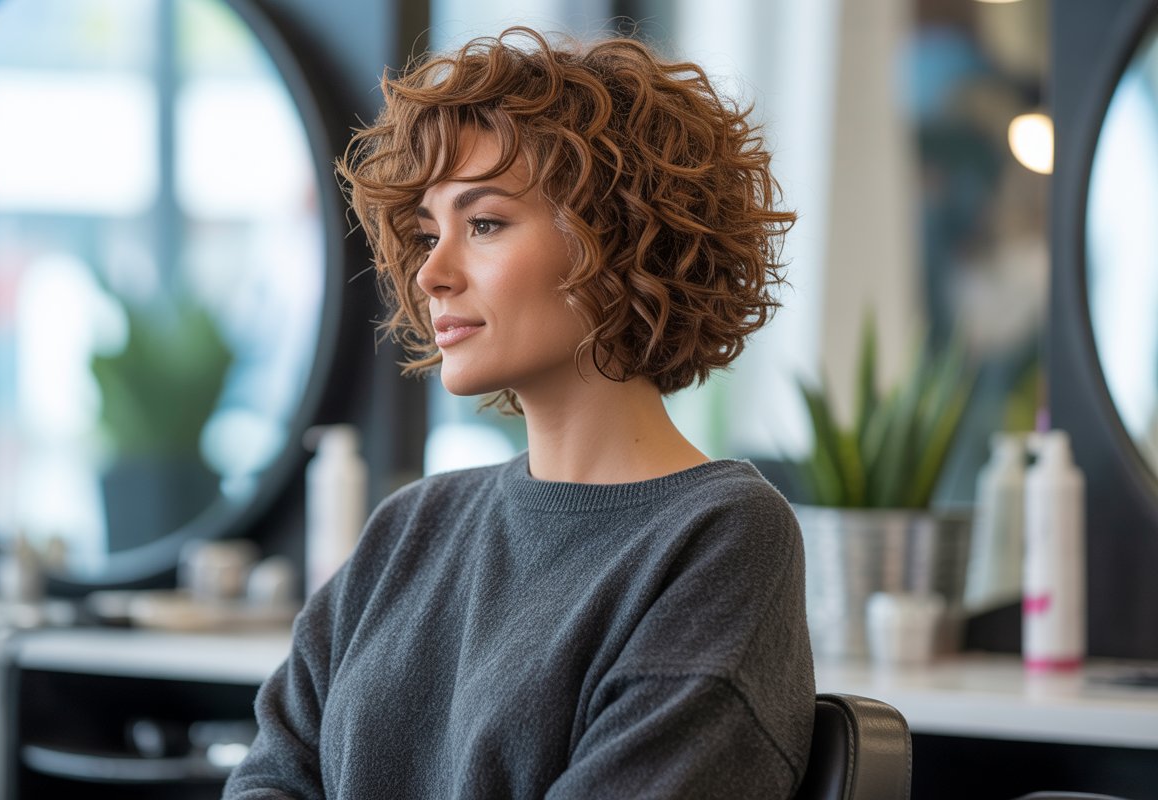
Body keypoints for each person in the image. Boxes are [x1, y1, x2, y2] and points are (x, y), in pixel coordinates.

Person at [224, 27, 813, 799]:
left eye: (486, 224)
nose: (432, 272)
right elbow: (271, 778)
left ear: (621, 235)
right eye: (428, 233)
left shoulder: (719, 539)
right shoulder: (410, 528)